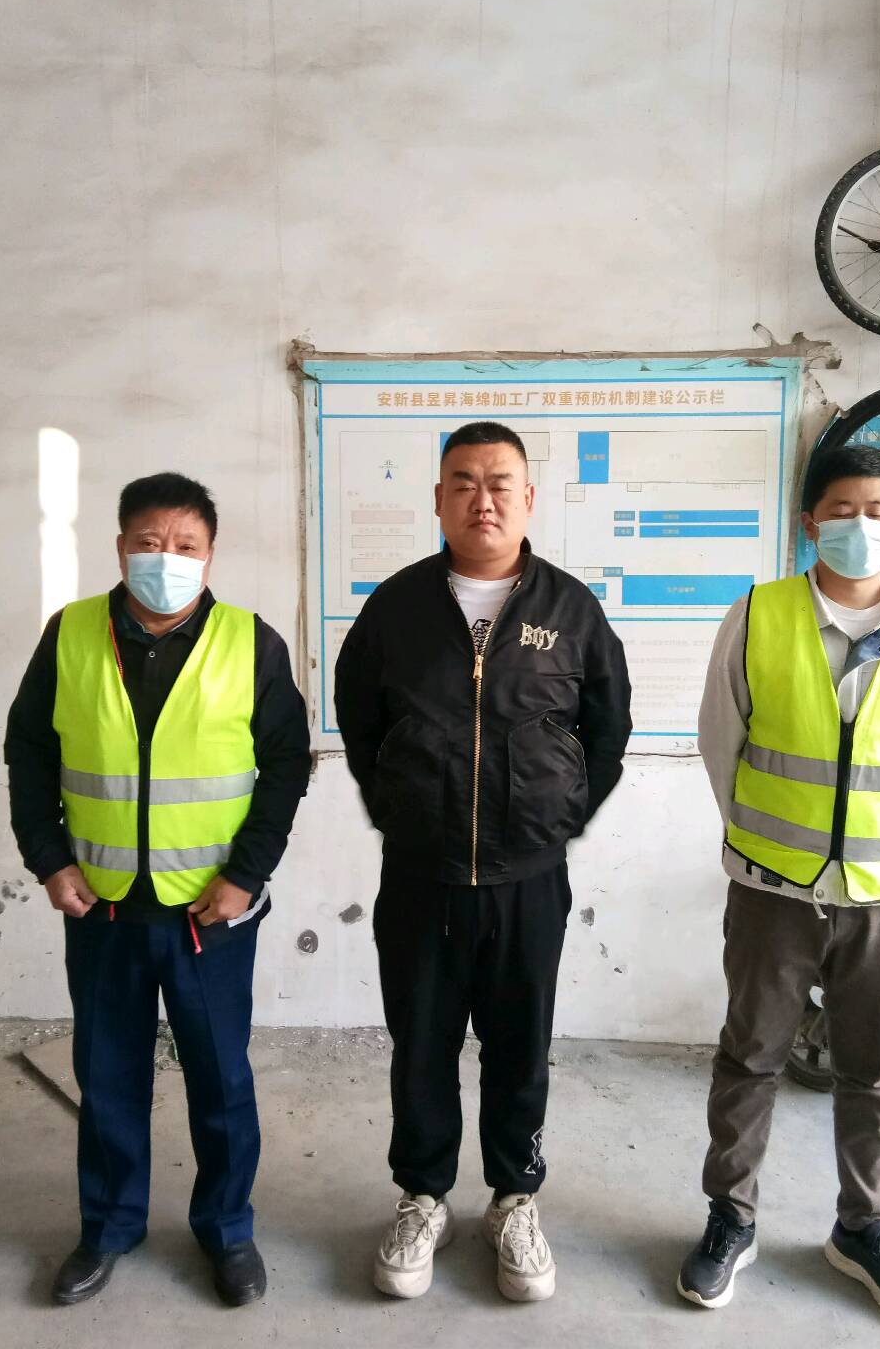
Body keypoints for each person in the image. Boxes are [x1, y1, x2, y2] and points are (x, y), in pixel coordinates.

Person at [334, 421, 632, 1303]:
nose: (483, 499)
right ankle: (424, 1198)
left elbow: (608, 728)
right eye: (463, 482)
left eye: (500, 483)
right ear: (438, 499)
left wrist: (560, 817)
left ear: (529, 498)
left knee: (520, 1046)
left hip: (527, 879)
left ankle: (514, 1199)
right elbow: (359, 720)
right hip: (420, 877)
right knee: (420, 1045)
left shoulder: (570, 610)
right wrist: (399, 809)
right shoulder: (396, 608)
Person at [5, 472, 311, 1307]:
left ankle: (228, 1229)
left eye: (184, 545)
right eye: (148, 542)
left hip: (210, 913)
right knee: (108, 1077)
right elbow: (28, 751)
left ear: (209, 556)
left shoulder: (250, 642)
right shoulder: (69, 635)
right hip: (101, 905)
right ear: (119, 547)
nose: (165, 558)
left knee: (221, 1080)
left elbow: (288, 764)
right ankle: (108, 1226)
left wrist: (246, 875)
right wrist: (49, 859)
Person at [678, 444, 880, 1324]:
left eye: (876, 510)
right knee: (750, 1056)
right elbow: (720, 738)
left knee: (873, 1071)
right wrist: (766, 844)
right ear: (810, 522)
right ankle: (731, 1218)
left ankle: (862, 1229)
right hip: (773, 885)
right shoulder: (759, 615)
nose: (859, 525)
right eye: (841, 509)